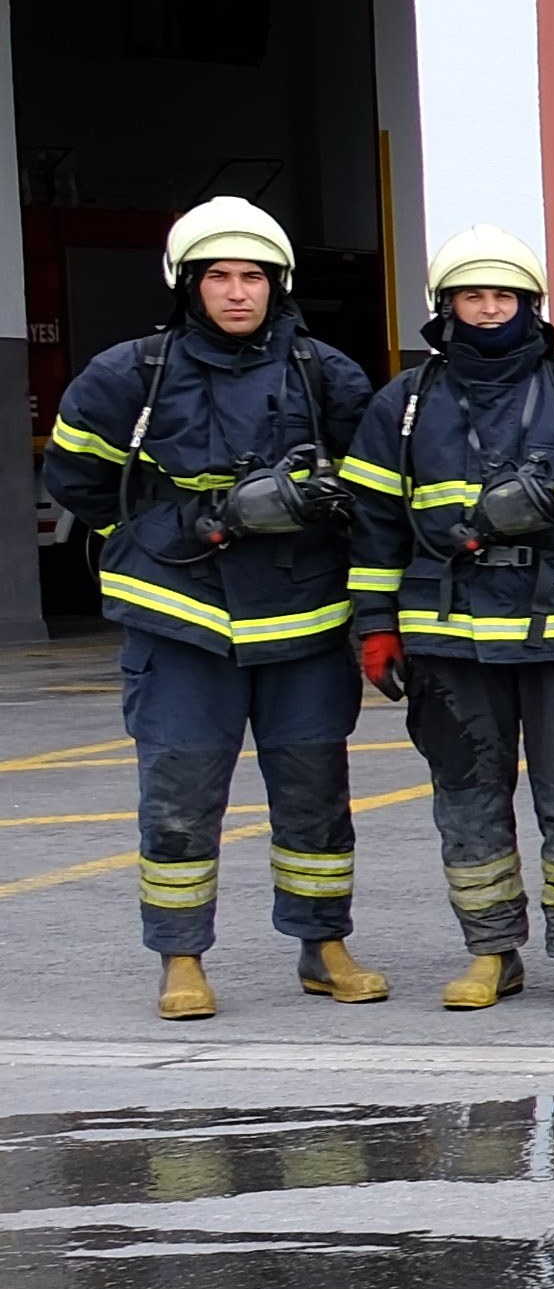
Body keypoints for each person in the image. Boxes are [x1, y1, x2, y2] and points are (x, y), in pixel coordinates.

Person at [46, 198, 379, 1022]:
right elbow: (75, 478)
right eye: (220, 277)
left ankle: (323, 944)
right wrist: (161, 529)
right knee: (181, 794)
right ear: (187, 285)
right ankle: (181, 959)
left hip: (301, 616)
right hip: (177, 614)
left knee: (314, 790)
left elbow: (371, 491)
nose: (238, 293)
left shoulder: (324, 372)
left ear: (278, 285)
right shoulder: (130, 373)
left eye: (253, 277)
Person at [349, 227, 554, 1013]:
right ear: (445, 306)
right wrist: (375, 626)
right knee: (467, 798)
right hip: (448, 639)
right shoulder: (404, 405)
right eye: (472, 296)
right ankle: (490, 953)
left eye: (503, 296)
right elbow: (374, 524)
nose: (488, 311)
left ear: (531, 304)